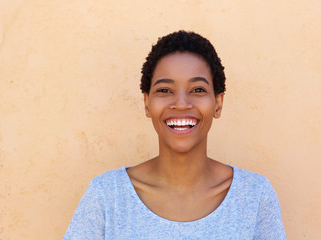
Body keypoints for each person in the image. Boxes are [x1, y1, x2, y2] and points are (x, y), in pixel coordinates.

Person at [63, 30, 286, 239]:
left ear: (218, 103)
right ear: (147, 103)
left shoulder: (254, 196)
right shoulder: (107, 196)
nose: (181, 104)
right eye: (164, 90)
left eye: (198, 90)